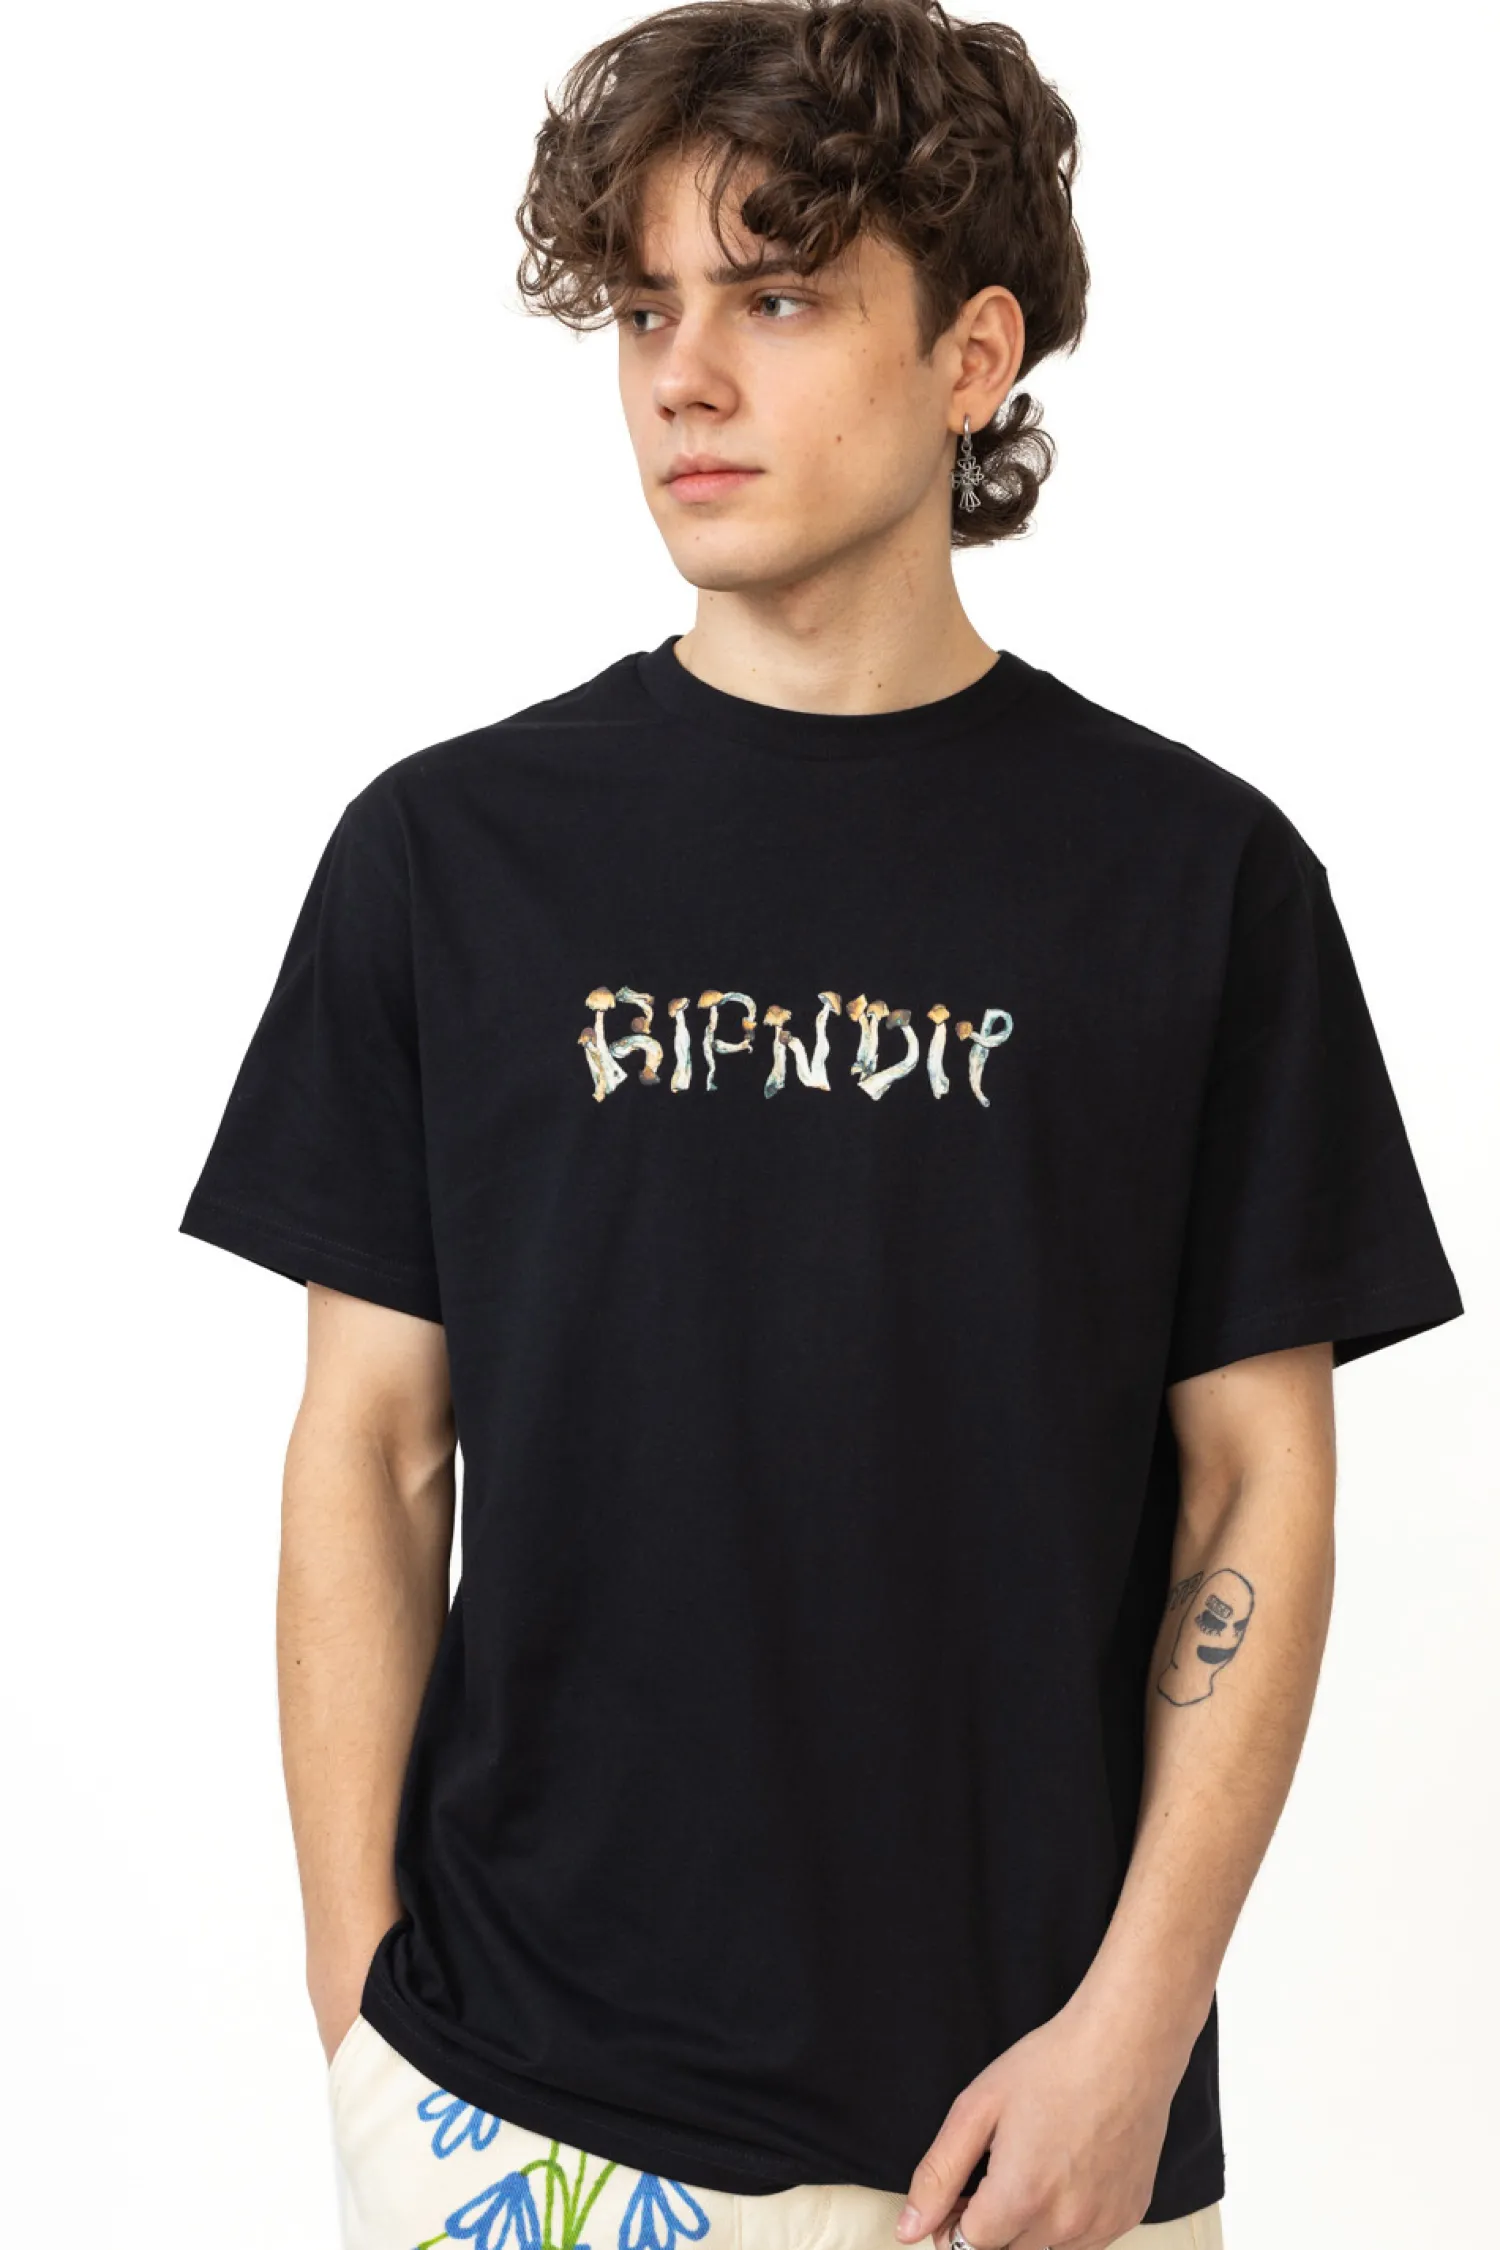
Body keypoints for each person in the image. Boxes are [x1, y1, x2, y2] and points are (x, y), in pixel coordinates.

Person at [179, 4, 1464, 2247]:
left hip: (1035, 2139)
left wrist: (1136, 2036)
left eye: (774, 300)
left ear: (974, 356)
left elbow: (1257, 1483)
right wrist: (363, 2022)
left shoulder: (1198, 885)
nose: (682, 377)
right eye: (645, 309)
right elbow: (370, 1450)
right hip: (520, 2112)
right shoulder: (447, 862)